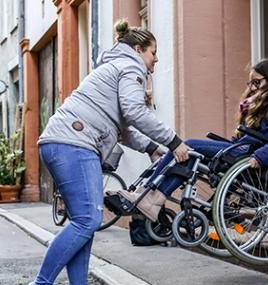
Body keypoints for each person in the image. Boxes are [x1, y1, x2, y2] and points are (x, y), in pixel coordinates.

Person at [31, 19, 189, 285]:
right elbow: (135, 111)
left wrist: (151, 148)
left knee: (85, 223)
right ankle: (41, 282)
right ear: (138, 49)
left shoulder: (113, 67)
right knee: (87, 221)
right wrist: (175, 142)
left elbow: (122, 128)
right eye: (153, 52)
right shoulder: (130, 66)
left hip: (64, 141)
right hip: (75, 144)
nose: (156, 59)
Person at [115, 59, 268, 222]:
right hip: (243, 150)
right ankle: (153, 199)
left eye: (257, 83)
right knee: (188, 156)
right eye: (251, 84)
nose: (252, 88)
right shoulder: (262, 104)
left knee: (187, 145)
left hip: (255, 157)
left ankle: (146, 193)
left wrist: (262, 155)